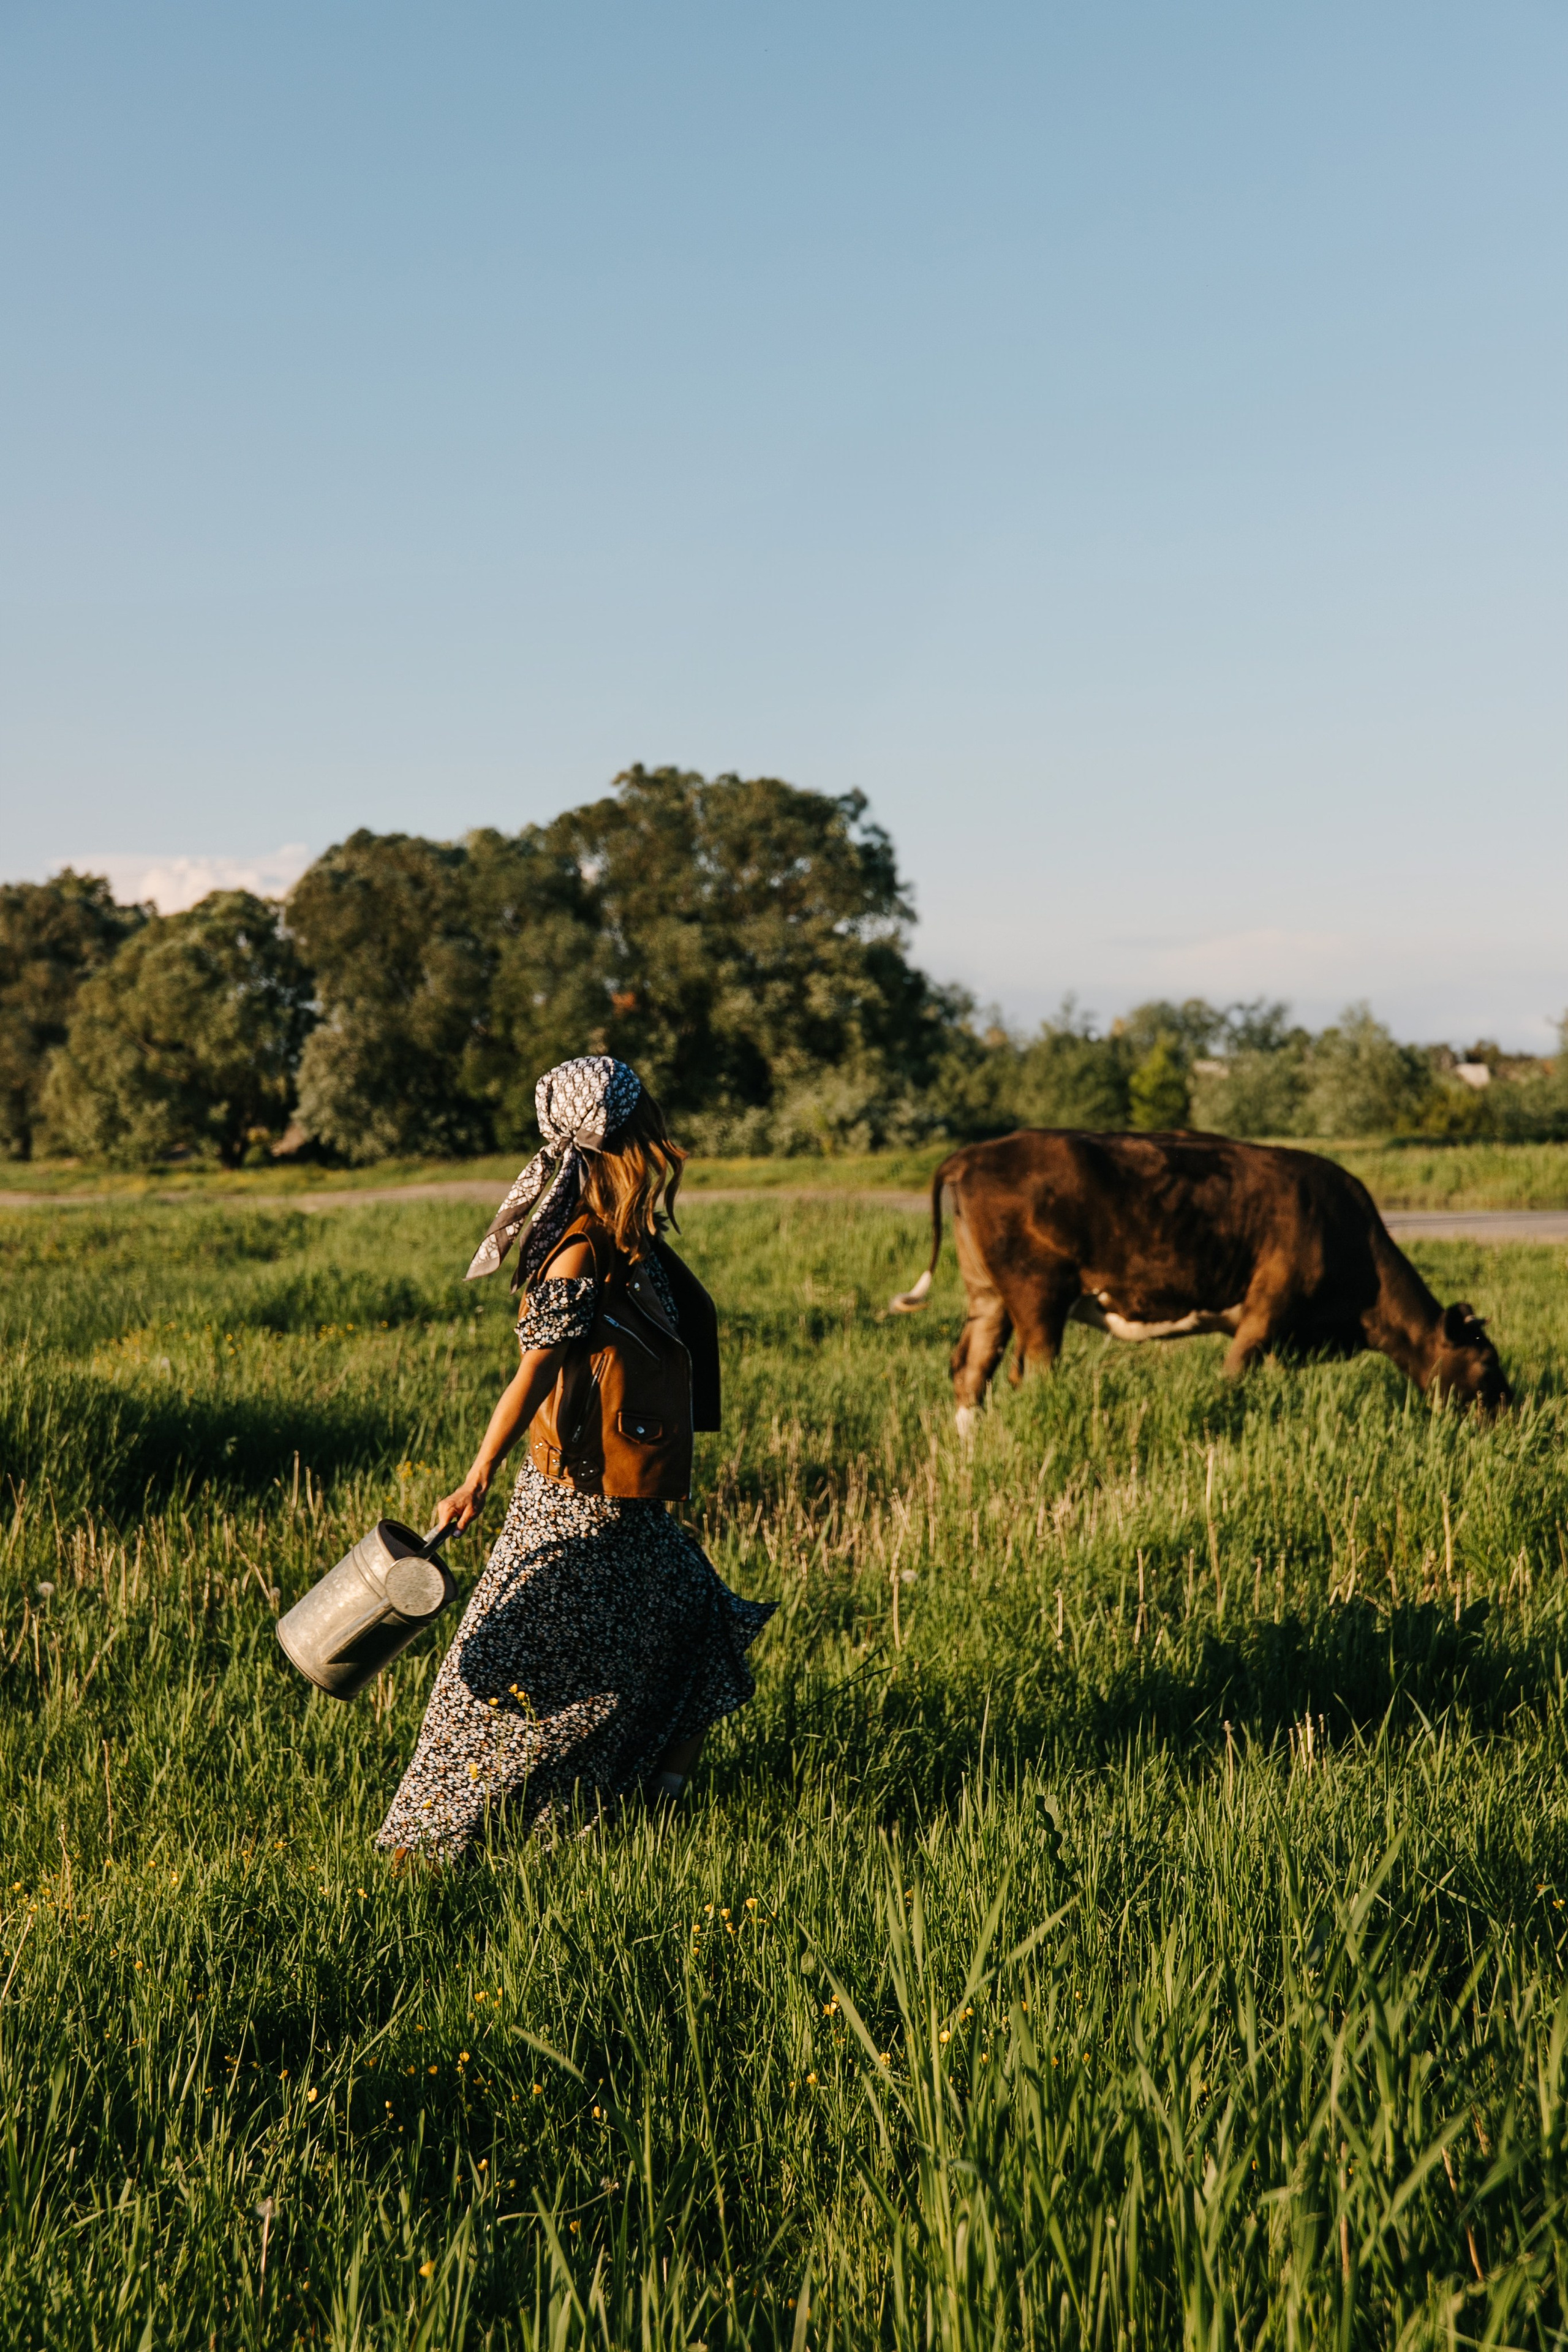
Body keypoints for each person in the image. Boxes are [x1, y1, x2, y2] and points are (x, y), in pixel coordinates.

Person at [376, 1055, 773, 1861]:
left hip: (625, 1512)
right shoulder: (580, 1249)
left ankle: (640, 1816)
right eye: (650, 1124)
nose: (664, 1136)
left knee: (699, 1632)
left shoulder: (628, 1239)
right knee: (511, 1697)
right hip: (577, 1509)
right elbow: (538, 1371)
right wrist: (476, 1477)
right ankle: (424, 1846)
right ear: (626, 1139)